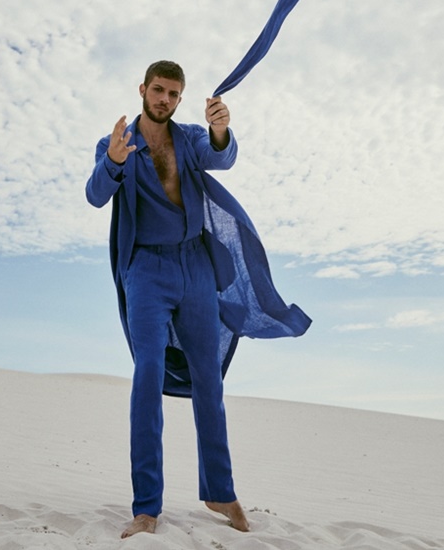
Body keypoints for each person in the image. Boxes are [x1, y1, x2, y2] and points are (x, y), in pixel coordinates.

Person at [86, 60, 311, 538]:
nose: (164, 99)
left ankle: (220, 491)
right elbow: (95, 195)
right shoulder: (117, 143)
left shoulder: (188, 138)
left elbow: (222, 158)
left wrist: (221, 131)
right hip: (147, 269)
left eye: (173, 94)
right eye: (158, 90)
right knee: (147, 373)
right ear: (143, 89)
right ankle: (146, 507)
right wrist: (115, 163)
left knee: (210, 378)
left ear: (180, 99)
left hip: (196, 268)